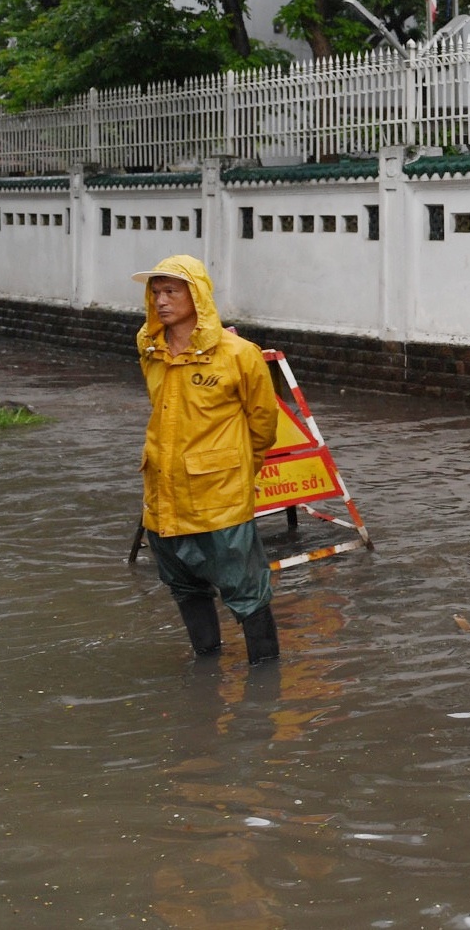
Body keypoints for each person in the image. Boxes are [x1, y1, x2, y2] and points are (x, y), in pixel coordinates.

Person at [133, 255, 282, 663]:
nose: (161, 301)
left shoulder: (238, 354)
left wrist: (234, 472)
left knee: (247, 593)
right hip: (163, 496)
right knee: (183, 586)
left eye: (172, 291)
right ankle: (207, 665)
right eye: (156, 292)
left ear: (196, 295)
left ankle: (264, 685)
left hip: (220, 501)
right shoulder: (150, 348)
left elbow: (262, 425)